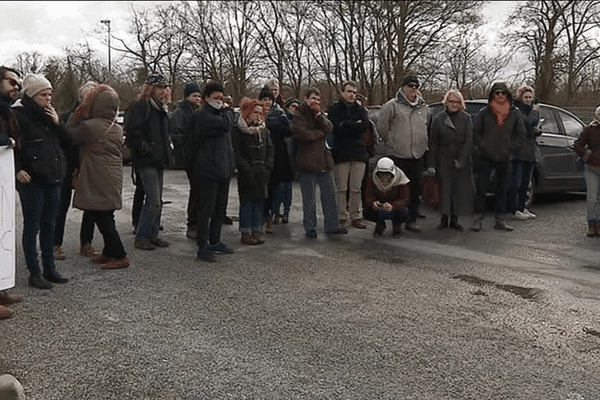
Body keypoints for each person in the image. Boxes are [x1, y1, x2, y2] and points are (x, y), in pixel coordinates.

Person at [13, 74, 69, 289]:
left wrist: (57, 122)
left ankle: (50, 267)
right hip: (32, 179)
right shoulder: (18, 115)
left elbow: (67, 141)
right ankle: (34, 272)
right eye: (43, 95)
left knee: (49, 224)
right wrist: (17, 169)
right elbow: (12, 145)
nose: (48, 99)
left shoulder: (51, 115)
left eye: (50, 94)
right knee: (32, 225)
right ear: (32, 95)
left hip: (53, 176)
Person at [67, 84, 129, 270]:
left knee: (103, 218)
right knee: (105, 214)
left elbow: (69, 132)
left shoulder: (90, 127)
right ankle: (109, 252)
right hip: (112, 176)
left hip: (96, 175)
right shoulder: (117, 128)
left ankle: (120, 255)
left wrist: (81, 108)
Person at [186, 82, 236, 262]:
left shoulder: (220, 113)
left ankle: (215, 241)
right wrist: (229, 110)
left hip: (223, 168)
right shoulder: (202, 115)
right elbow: (225, 124)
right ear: (207, 98)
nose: (219, 101)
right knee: (205, 209)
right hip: (207, 170)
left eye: (221, 98)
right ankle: (203, 245)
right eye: (216, 98)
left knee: (219, 209)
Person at [125, 73, 172, 251]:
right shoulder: (140, 107)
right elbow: (134, 132)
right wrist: (147, 149)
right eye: (160, 87)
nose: (163, 91)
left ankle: (153, 234)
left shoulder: (161, 109)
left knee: (157, 199)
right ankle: (142, 236)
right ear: (151, 88)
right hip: (146, 160)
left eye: (165, 88)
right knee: (153, 200)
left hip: (158, 159)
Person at [376, 75, 428, 233]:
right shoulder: (392, 105)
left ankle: (411, 221)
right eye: (410, 85)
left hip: (417, 155)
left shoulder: (423, 107)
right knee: (395, 190)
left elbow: (427, 126)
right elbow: (381, 127)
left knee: (415, 189)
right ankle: (392, 221)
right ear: (403, 87)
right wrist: (391, 142)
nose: (413, 89)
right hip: (398, 155)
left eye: (416, 86)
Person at [293, 87, 347, 238]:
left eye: (318, 99)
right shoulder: (299, 115)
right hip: (307, 162)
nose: (315, 102)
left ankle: (332, 225)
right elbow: (303, 135)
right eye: (313, 99)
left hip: (324, 161)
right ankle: (310, 227)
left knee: (330, 195)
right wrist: (320, 133)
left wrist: (319, 117)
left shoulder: (319, 114)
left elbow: (329, 127)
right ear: (306, 99)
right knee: (309, 198)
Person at [471, 82, 525, 232]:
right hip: (485, 156)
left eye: (503, 93)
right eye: (497, 93)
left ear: (507, 95)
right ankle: (477, 218)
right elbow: (476, 133)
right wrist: (484, 147)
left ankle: (500, 219)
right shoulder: (484, 112)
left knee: (502, 190)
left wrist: (511, 149)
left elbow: (520, 134)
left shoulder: (515, 114)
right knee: (481, 189)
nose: (500, 95)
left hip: (505, 157)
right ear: (492, 95)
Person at [55, 81, 99, 261]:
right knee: (61, 206)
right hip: (67, 167)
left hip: (89, 167)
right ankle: (55, 244)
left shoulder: (98, 119)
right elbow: (64, 142)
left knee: (91, 207)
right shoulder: (68, 117)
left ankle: (86, 243)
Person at [427, 89, 475, 231]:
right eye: (451, 101)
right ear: (446, 102)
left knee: (458, 191)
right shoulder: (438, 119)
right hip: (444, 158)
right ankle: (444, 218)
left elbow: (469, 141)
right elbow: (433, 143)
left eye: (457, 102)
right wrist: (431, 164)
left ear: (461, 104)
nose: (454, 104)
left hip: (461, 159)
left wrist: (461, 159)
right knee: (445, 190)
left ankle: (455, 219)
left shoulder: (466, 118)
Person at [231, 97, 274, 245]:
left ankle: (256, 230)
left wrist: (268, 166)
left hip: (262, 170)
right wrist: (245, 168)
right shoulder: (238, 130)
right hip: (247, 171)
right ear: (247, 112)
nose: (258, 115)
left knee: (259, 202)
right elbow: (236, 152)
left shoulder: (264, 131)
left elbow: (270, 149)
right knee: (247, 202)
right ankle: (245, 232)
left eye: (261, 113)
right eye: (255, 112)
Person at [328, 80, 370, 229]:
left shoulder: (361, 109)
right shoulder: (334, 109)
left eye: (354, 92)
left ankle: (355, 215)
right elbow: (336, 128)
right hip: (341, 153)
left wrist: (347, 124)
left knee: (356, 188)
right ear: (342, 92)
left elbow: (364, 127)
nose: (351, 95)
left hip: (358, 153)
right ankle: (341, 215)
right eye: (349, 91)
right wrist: (353, 125)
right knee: (341, 188)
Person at [0, 66, 24, 317]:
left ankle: (1, 286)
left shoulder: (7, 110)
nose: (15, 87)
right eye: (11, 81)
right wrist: (5, 142)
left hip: (4, 177)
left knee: (3, 233)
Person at [170, 81, 202, 239]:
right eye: (194, 95)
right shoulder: (180, 113)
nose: (197, 98)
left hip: (198, 155)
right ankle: (192, 223)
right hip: (189, 156)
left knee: (199, 190)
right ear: (187, 97)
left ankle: (198, 221)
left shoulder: (196, 111)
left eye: (198, 96)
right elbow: (177, 136)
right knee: (196, 191)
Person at [259, 87, 294, 228]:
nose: (267, 102)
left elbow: (289, 130)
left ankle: (272, 214)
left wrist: (275, 127)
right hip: (262, 153)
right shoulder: (256, 113)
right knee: (262, 187)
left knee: (275, 186)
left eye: (269, 99)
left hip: (279, 153)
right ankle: (262, 215)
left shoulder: (280, 113)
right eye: (264, 99)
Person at [510, 85, 540, 221]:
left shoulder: (531, 111)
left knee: (525, 182)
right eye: (526, 97)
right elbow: (527, 122)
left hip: (529, 150)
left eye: (530, 97)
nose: (528, 100)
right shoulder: (517, 110)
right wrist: (535, 113)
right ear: (520, 97)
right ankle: (515, 208)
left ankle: (523, 207)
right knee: (516, 182)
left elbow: (531, 126)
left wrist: (537, 131)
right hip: (518, 151)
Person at [363, 157, 410, 237]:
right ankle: (380, 225)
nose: (384, 179)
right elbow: (368, 196)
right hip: (379, 206)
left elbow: (405, 199)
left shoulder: (401, 179)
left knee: (404, 212)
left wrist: (393, 206)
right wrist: (373, 203)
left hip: (395, 207)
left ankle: (396, 226)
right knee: (367, 211)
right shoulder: (372, 179)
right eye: (381, 175)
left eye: (387, 175)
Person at [574, 106, 600, 237]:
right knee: (592, 198)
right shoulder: (589, 129)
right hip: (591, 168)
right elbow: (577, 145)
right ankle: (591, 224)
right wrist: (586, 154)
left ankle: (599, 225)